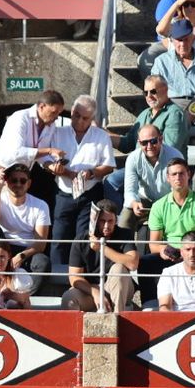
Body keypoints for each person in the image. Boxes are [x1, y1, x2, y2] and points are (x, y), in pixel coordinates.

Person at [45, 95, 116, 278]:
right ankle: (56, 278)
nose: (78, 120)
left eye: (84, 118)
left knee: (84, 237)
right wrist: (53, 167)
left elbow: (109, 165)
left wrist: (91, 173)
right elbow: (43, 159)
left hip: (89, 192)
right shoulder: (58, 132)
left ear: (91, 119)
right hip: (63, 191)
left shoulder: (100, 136)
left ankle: (82, 278)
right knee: (59, 237)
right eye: (76, 115)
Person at [0, 161, 48, 293]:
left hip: (27, 251)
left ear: (29, 184)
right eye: (13, 180)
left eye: (22, 181)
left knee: (43, 262)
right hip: (2, 248)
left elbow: (41, 244)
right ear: (7, 182)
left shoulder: (40, 205)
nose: (18, 184)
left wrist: (21, 256)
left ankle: (25, 298)